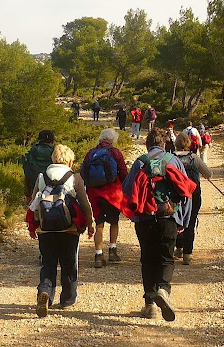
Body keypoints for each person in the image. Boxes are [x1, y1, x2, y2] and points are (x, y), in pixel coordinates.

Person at [122, 127, 197, 321]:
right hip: (168, 217)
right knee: (166, 257)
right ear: (164, 144)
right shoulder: (173, 161)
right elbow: (186, 193)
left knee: (147, 259)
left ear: (147, 145)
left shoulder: (140, 162)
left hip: (144, 217)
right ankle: (163, 290)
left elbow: (127, 188)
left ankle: (149, 305)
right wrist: (183, 220)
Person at [27, 144, 94, 317]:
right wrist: (90, 223)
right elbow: (85, 204)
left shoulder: (42, 177)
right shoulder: (75, 177)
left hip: (46, 228)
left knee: (48, 263)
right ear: (70, 160)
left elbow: (34, 203)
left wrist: (33, 225)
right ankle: (68, 298)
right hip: (68, 229)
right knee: (69, 263)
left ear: (53, 159)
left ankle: (45, 293)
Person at [81, 128, 129, 268]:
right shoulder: (115, 152)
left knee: (99, 223)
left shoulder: (90, 153)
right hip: (112, 193)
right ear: (112, 140)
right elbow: (124, 172)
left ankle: (98, 254)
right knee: (114, 222)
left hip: (95, 193)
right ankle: (112, 251)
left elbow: (83, 173)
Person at [173, 132, 212, 265]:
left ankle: (178, 247)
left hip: (176, 194)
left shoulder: (171, 158)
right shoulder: (194, 157)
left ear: (176, 144)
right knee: (190, 220)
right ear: (188, 143)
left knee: (177, 219)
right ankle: (187, 254)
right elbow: (208, 173)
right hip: (193, 193)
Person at [22, 130, 56, 200]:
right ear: (52, 141)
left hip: (34, 188)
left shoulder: (33, 151)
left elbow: (27, 173)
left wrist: (28, 193)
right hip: (53, 190)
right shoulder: (56, 152)